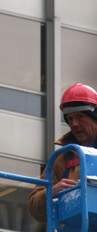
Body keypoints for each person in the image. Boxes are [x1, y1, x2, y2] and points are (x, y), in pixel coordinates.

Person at [29, 83, 97, 223]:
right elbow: (35, 209)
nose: (74, 124)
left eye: (80, 117)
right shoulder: (62, 158)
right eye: (70, 119)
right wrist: (52, 192)